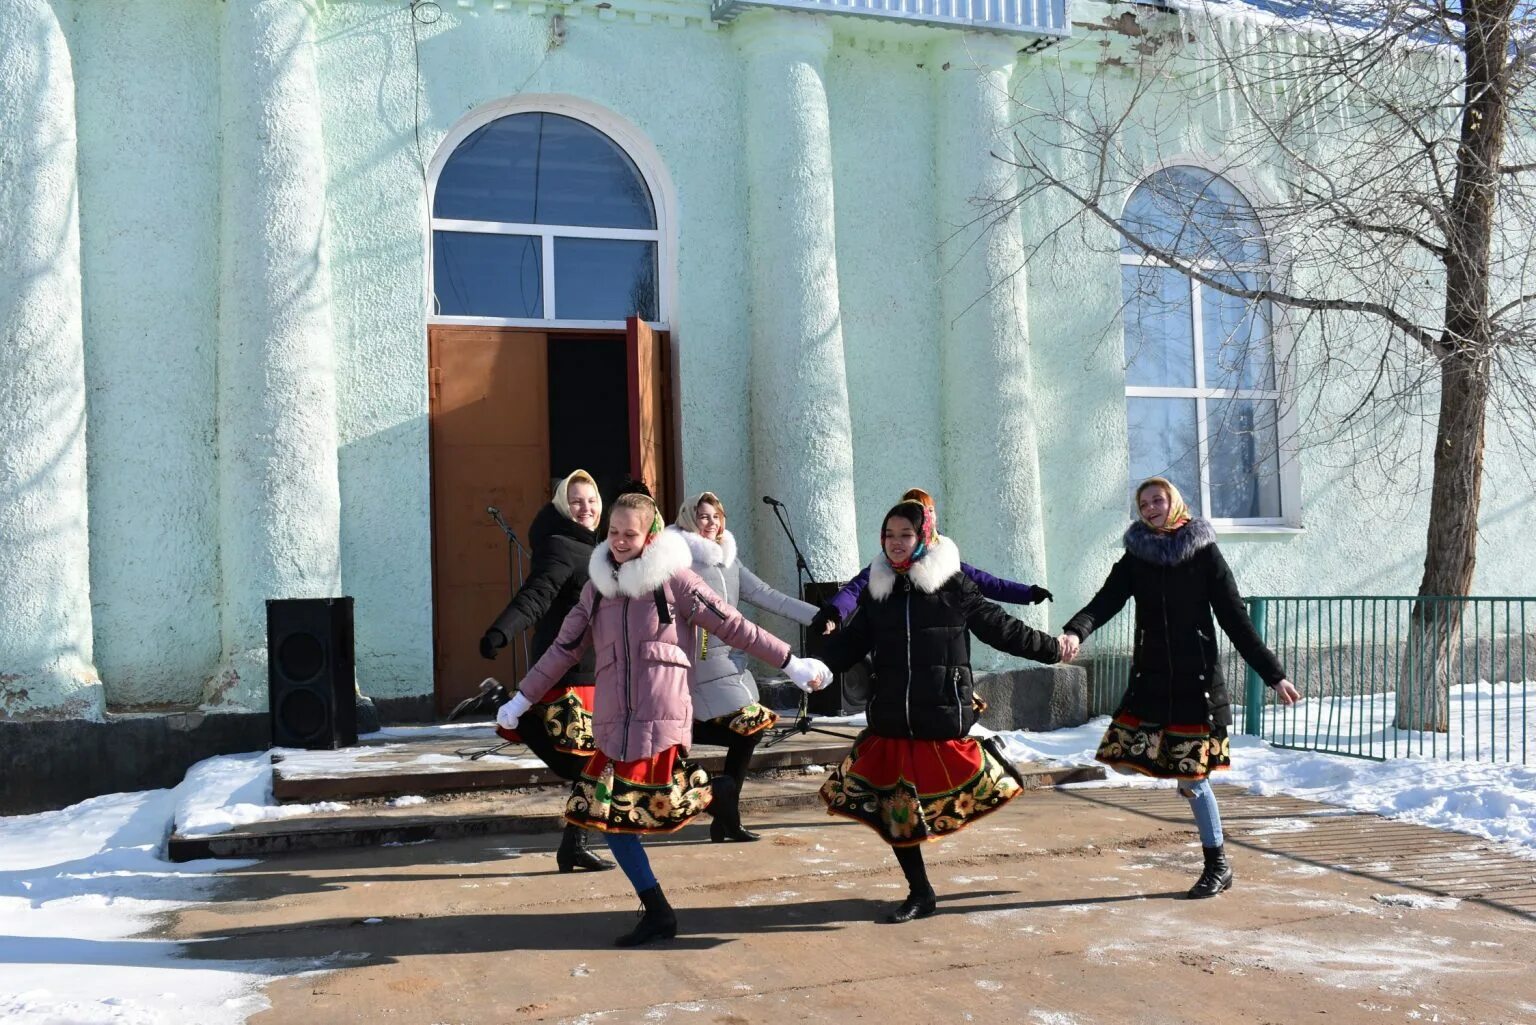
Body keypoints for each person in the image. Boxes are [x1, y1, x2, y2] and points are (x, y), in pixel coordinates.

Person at [496, 492, 832, 946]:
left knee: (627, 814)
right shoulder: (599, 589)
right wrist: (521, 699)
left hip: (663, 717)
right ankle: (664, 897)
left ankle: (707, 815)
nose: (618, 541)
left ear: (650, 533)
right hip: (615, 725)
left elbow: (733, 624)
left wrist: (791, 663)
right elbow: (562, 649)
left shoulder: (677, 581)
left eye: (629, 533)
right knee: (612, 820)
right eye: (613, 532)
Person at [816, 500, 1062, 924]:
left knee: (968, 785)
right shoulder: (879, 589)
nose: (895, 544)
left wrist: (1052, 649)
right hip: (892, 715)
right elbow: (850, 644)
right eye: (889, 536)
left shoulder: (953, 584)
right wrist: (814, 667)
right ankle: (920, 892)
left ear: (923, 536)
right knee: (897, 812)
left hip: (940, 710)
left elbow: (1001, 628)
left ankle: (995, 755)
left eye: (905, 535)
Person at [1057, 476, 1301, 899]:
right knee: (1119, 757)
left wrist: (1273, 673)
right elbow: (1105, 600)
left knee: (1194, 781)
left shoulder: (1203, 553)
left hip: (1195, 685)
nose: (1151, 507)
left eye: (1157, 499)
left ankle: (1217, 864)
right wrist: (1076, 632)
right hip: (1150, 683)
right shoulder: (1137, 556)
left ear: (1174, 501)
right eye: (1144, 503)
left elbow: (1235, 619)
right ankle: (1179, 773)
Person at [468, 469, 612, 872]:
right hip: (565, 672)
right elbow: (536, 595)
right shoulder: (562, 547)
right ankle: (506, 707)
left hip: (594, 673)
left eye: (592, 500)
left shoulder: (598, 549)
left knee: (593, 765)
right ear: (564, 507)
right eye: (577, 501)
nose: (586, 508)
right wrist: (501, 632)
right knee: (581, 766)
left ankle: (574, 844)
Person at [668, 492, 819, 842]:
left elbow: (767, 595)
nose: (711, 523)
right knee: (747, 728)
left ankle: (725, 811)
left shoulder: (728, 560)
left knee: (748, 730)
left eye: (717, 516)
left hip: (731, 664)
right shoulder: (679, 562)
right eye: (703, 516)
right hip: (700, 664)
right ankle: (724, 808)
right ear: (689, 517)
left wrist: (822, 615)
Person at [810, 488, 1051, 636]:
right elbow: (855, 588)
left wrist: (1027, 594)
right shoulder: (886, 564)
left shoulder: (944, 559)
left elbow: (987, 583)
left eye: (930, 509)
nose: (929, 515)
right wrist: (833, 613)